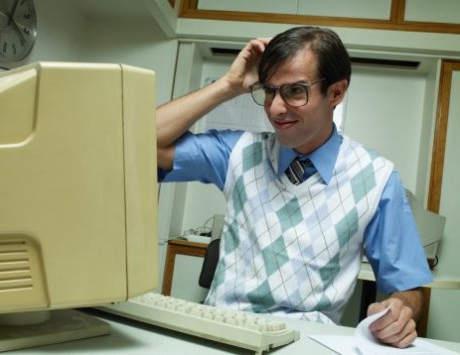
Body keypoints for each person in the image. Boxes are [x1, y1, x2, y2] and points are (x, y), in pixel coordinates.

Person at [157, 26, 433, 348]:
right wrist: (228, 85)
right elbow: (135, 140)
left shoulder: (377, 178)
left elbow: (409, 287)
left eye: (295, 91)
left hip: (308, 344)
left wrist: (400, 309)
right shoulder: (237, 152)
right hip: (221, 334)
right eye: (269, 91)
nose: (275, 108)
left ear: (336, 93)